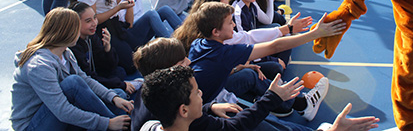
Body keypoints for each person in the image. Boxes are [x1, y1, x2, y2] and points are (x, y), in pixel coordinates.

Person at [189, 2, 346, 121]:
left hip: (205, 100)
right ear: (216, 32)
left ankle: (297, 104)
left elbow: (211, 71)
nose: (234, 25)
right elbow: (274, 46)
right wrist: (315, 34)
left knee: (251, 76)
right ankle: (297, 105)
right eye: (230, 23)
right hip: (205, 111)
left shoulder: (199, 44)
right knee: (266, 122)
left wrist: (240, 66)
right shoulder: (223, 53)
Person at [140, 66, 379, 131]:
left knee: (239, 114)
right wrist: (272, 97)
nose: (201, 93)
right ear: (182, 110)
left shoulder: (161, 123)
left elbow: (233, 125)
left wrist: (211, 105)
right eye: (196, 92)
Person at [10, 7, 134, 131]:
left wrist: (113, 97)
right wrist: (107, 123)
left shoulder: (65, 52)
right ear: (67, 32)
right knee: (72, 83)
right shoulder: (40, 66)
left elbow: (85, 80)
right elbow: (62, 110)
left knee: (118, 94)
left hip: (55, 113)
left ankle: (120, 123)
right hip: (34, 125)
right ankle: (123, 127)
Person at [68, 1, 136, 96]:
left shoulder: (91, 36)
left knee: (120, 71)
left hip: (95, 75)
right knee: (121, 93)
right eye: (88, 21)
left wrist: (107, 49)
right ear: (75, 23)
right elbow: (88, 78)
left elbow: (109, 66)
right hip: (85, 85)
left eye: (95, 18)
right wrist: (121, 85)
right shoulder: (73, 46)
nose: (94, 23)